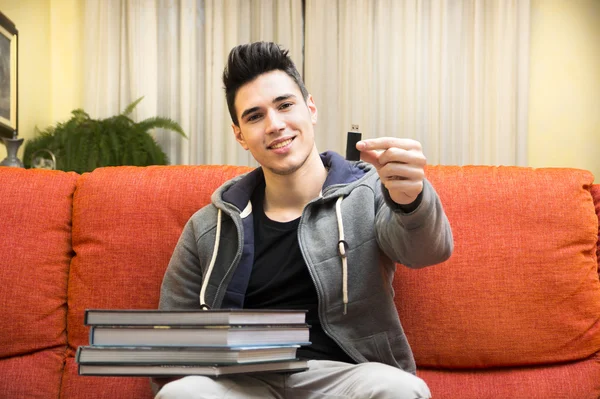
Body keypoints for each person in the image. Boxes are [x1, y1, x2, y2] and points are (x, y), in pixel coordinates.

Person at [153, 41, 453, 399]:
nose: (275, 125)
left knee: (398, 389)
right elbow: (168, 352)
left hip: (344, 377)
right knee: (181, 394)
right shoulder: (208, 226)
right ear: (240, 135)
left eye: (284, 105)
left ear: (310, 108)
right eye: (254, 116)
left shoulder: (369, 192)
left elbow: (427, 251)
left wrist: (410, 199)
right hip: (243, 384)